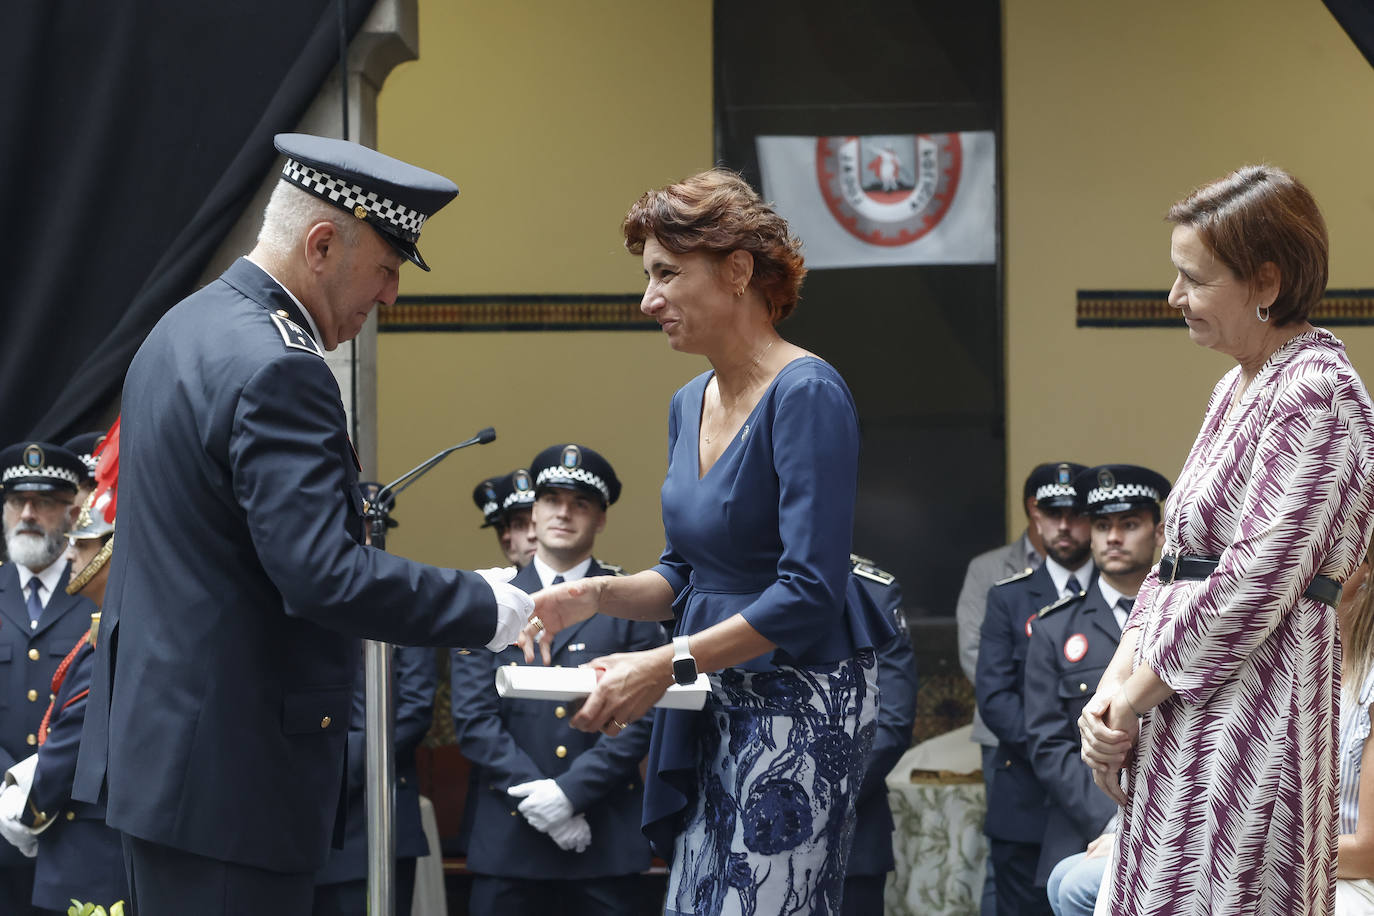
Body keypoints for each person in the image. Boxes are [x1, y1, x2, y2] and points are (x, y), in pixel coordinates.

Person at [70, 134, 535, 916]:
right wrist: (487, 606)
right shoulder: (281, 366)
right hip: (232, 777)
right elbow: (322, 573)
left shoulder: (183, 327)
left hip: (166, 762)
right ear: (322, 244)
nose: (390, 297)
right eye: (386, 269)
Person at [523, 169, 894, 916]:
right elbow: (683, 574)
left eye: (666, 274)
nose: (648, 300)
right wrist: (590, 595)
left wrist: (665, 662)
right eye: (646, 276)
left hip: (799, 700)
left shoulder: (807, 392)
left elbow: (810, 590)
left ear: (737, 270)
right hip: (706, 687)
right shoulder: (686, 402)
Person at [1079, 165, 1374, 916]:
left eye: (1193, 278)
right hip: (1179, 706)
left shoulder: (1318, 390)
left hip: (1252, 721)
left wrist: (1135, 700)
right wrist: (1111, 697)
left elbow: (1253, 583)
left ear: (1265, 282)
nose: (1174, 296)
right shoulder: (1237, 384)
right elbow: (1173, 566)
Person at [452, 443, 662, 915]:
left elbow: (645, 715)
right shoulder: (489, 601)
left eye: (581, 503)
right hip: (509, 839)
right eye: (552, 500)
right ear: (534, 511)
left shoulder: (633, 606)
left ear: (601, 519)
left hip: (604, 839)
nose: (564, 513)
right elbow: (473, 721)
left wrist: (570, 793)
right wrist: (540, 799)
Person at [1024, 464, 1168, 912]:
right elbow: (1048, 743)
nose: (1112, 538)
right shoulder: (1053, 628)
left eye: (1129, 524)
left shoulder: (1187, 620)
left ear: (1159, 532)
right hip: (1084, 828)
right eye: (1102, 525)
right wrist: (1113, 821)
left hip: (1173, 819)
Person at [0, 434, 127, 914]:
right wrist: (10, 792)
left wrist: (40, 787)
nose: (28, 514)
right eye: (17, 501)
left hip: (79, 833)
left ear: (75, 513)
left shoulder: (99, 592)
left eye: (45, 503)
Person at [976, 461, 1091, 916]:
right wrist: (1057, 755)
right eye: (1051, 513)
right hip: (1026, 796)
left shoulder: (1123, 595)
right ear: (1035, 517)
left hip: (1099, 793)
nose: (1063, 526)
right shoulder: (1009, 598)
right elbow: (995, 697)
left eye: (1076, 514)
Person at [955, 463, 1049, 914]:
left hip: (1076, 737)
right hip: (1004, 737)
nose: (1066, 523)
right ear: (1033, 508)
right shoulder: (988, 569)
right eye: (1053, 510)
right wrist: (1036, 723)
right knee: (1008, 854)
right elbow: (975, 655)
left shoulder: (1090, 567)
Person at [843, 554, 918, 916]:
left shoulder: (873, 591)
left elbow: (891, 721)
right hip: (743, 828)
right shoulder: (737, 581)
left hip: (848, 829)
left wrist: (823, 797)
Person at [1337, 539, 1374, 914]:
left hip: (1354, 883)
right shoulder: (1297, 673)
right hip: (1286, 868)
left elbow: (1369, 853)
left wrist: (1251, 844)